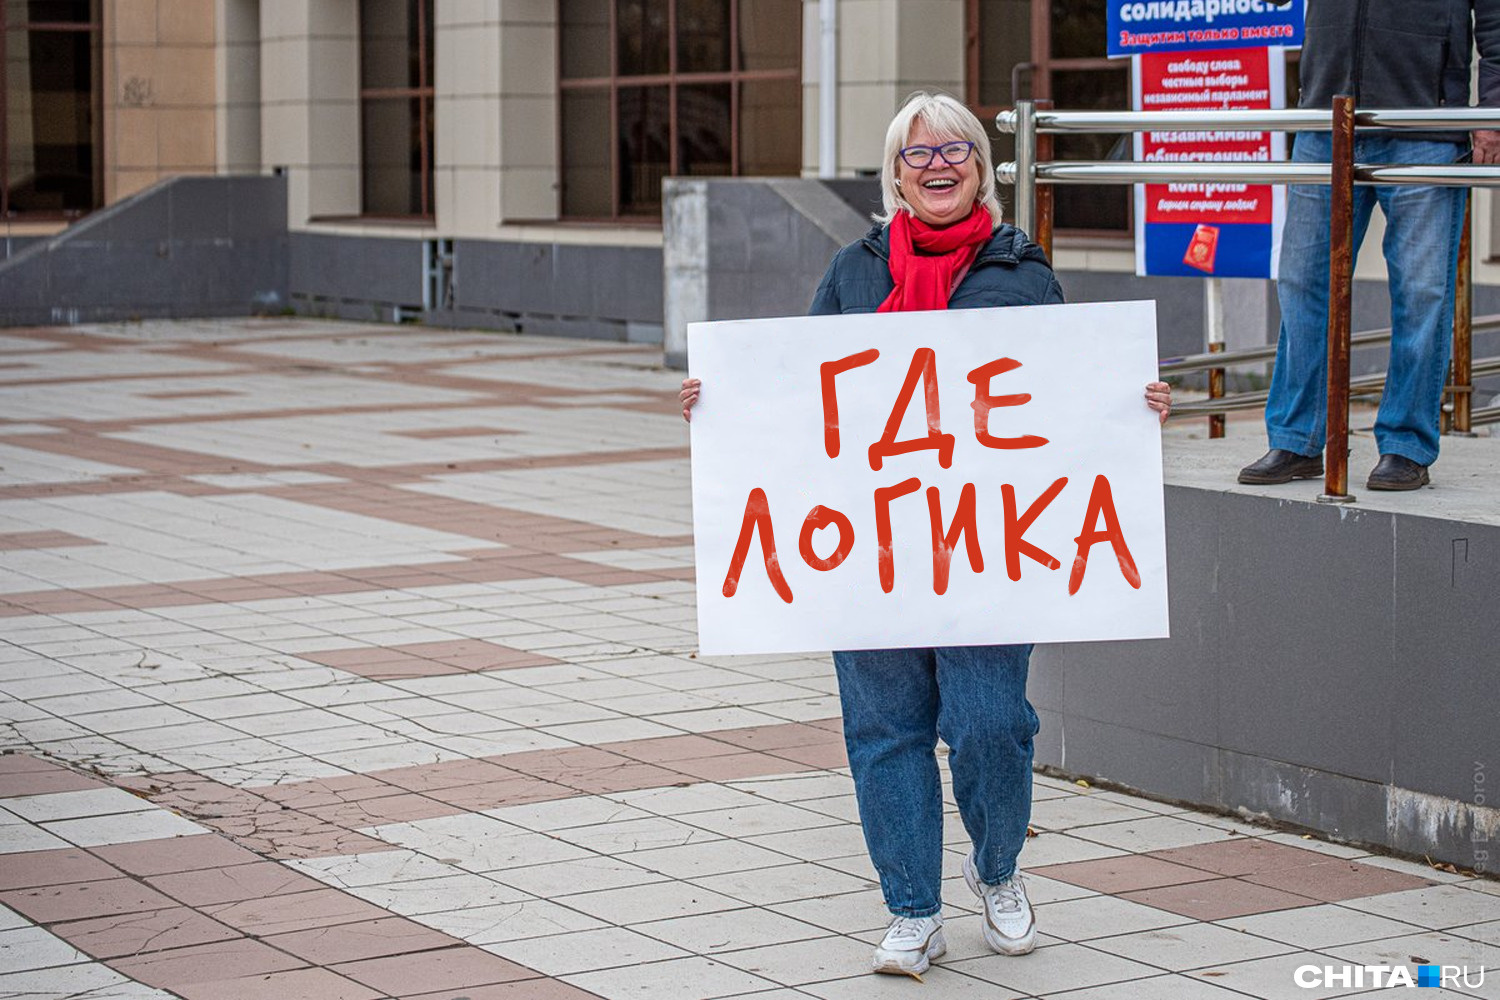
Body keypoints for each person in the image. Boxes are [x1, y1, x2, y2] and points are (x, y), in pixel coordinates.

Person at [680, 92, 1172, 978]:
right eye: (918, 154)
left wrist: (1131, 408)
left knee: (991, 724)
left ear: (981, 167)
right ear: (894, 174)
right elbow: (803, 393)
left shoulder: (1024, 273)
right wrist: (723, 406)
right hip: (870, 555)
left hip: (985, 553)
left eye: (955, 150)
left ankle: (999, 871)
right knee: (885, 730)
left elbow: (1066, 403)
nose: (937, 165)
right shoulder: (853, 272)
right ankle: (912, 908)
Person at [1239, 0, 1500, 491]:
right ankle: (1298, 438)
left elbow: (1495, 22)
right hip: (1325, 118)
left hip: (1425, 126)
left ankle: (1406, 445)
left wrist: (1491, 109)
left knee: (1423, 293)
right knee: (1302, 282)